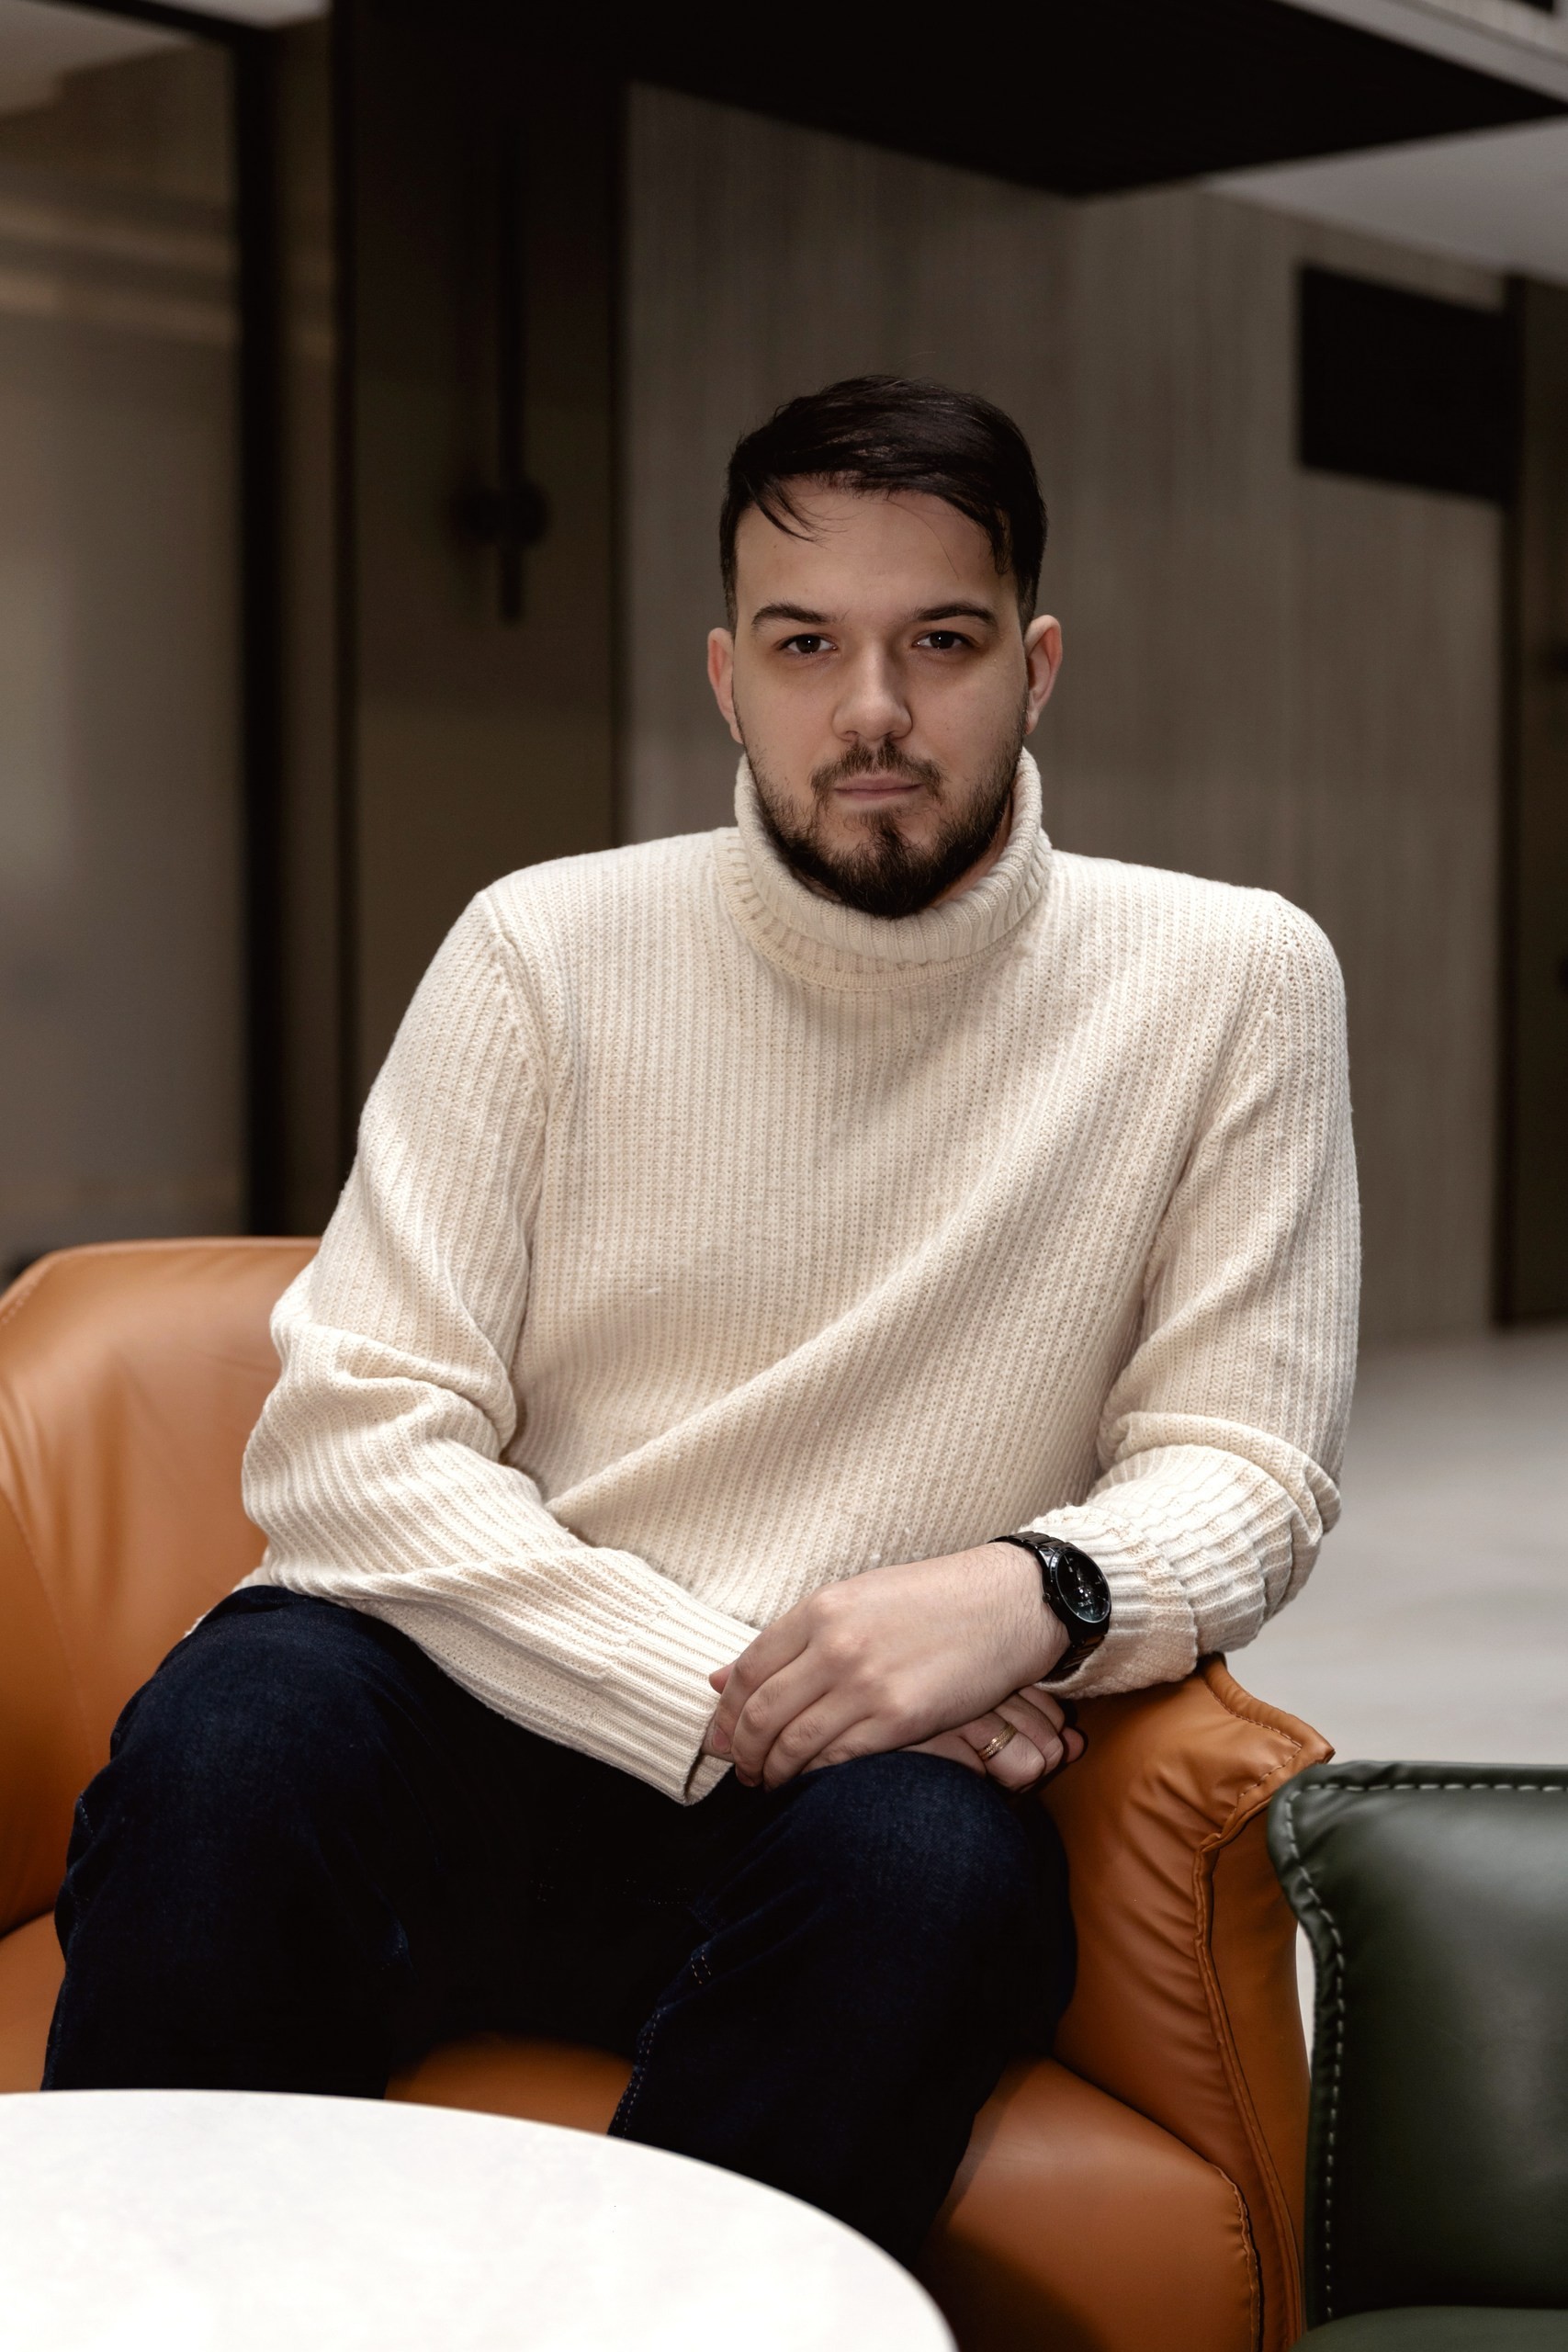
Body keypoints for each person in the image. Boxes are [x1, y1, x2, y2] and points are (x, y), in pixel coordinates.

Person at [44, 375, 1358, 2265]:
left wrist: (1032, 1589)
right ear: (727, 674)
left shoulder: (1227, 977)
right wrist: (741, 1693)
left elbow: (1247, 1455)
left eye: (942, 642)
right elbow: (350, 1444)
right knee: (242, 1728)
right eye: (808, 645)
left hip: (861, 1805)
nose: (875, 710)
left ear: (1037, 663)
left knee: (921, 1867)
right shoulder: (541, 946)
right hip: (487, 1699)